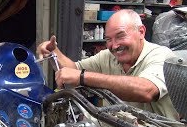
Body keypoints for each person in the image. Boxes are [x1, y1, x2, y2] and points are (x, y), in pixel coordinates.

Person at [37, 9, 179, 120]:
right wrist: (54, 52)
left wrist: (83, 77)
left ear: (141, 32)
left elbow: (147, 90)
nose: (114, 45)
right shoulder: (108, 56)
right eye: (108, 39)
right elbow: (73, 69)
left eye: (120, 36)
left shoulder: (161, 55)